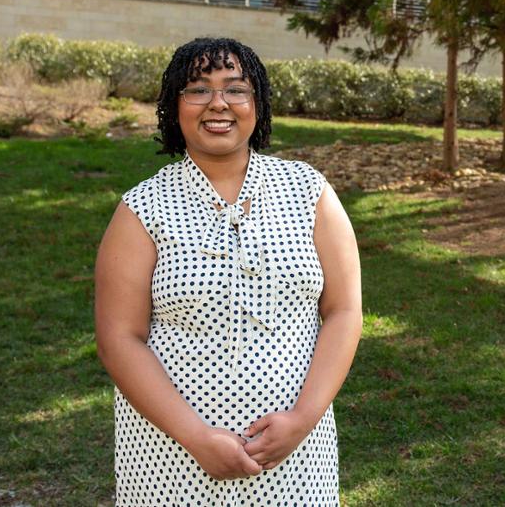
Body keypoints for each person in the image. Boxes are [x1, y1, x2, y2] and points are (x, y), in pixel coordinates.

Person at [94, 37, 362, 505]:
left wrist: (303, 419)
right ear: (174, 105)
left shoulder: (309, 191)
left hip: (296, 453)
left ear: (258, 104)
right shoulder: (142, 208)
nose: (218, 103)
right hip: (171, 455)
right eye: (198, 89)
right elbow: (119, 337)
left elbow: (343, 312)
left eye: (236, 89)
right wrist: (195, 437)